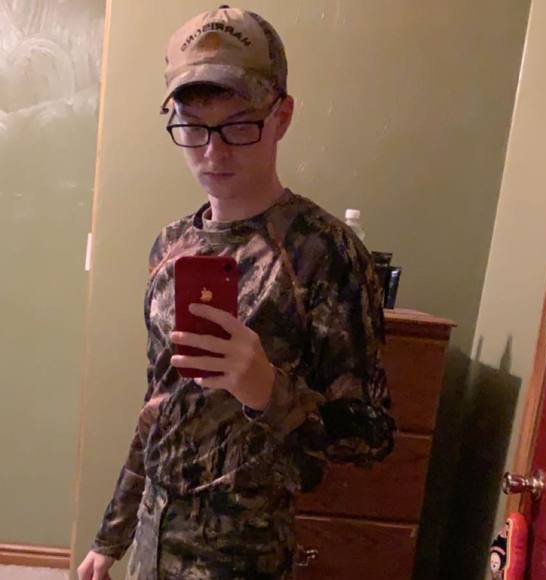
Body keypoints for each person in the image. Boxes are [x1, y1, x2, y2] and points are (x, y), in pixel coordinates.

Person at [77, 5, 396, 579]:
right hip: (153, 543)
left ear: (282, 116)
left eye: (239, 125)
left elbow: (370, 437)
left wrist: (267, 390)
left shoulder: (325, 252)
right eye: (193, 127)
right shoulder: (170, 247)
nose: (213, 152)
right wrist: (112, 535)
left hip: (244, 559)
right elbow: (158, 408)